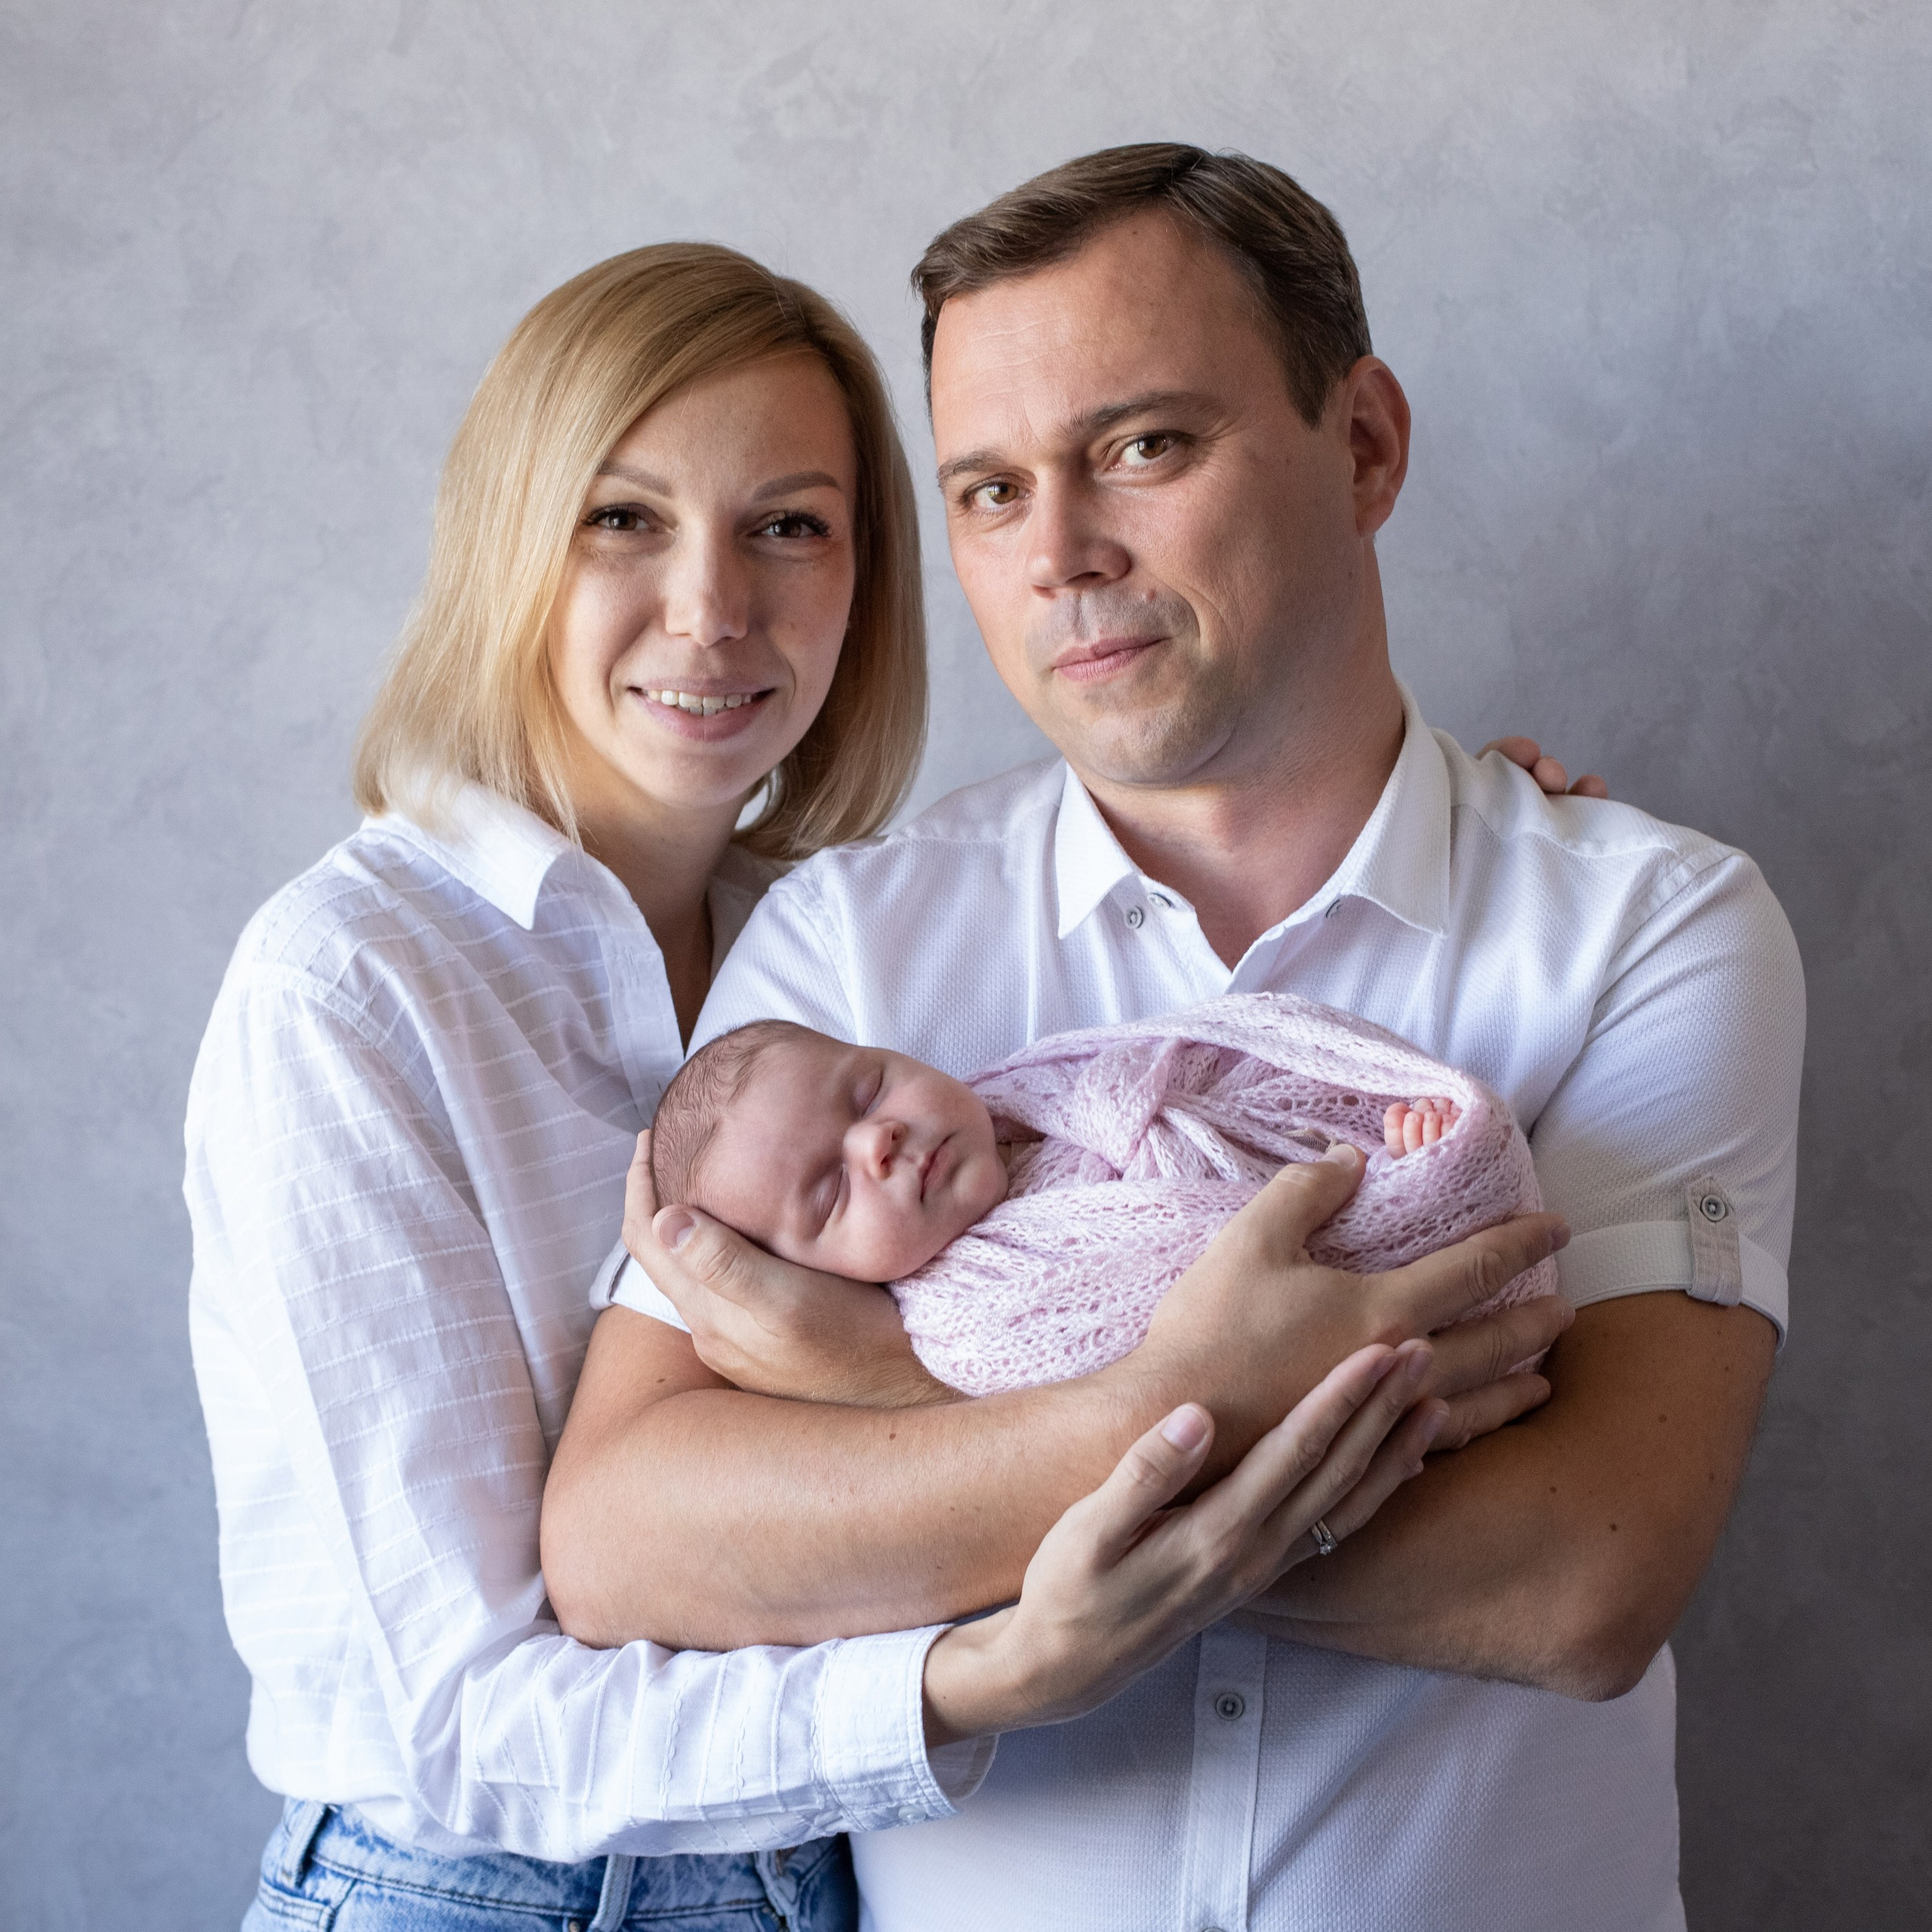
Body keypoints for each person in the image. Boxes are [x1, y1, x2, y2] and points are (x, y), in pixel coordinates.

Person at [185, 238, 1574, 1930]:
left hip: (822, 1884)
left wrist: (1484, 840)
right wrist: (982, 1673)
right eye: (622, 518)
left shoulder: (834, 941)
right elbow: (452, 1716)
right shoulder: (353, 984)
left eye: (789, 526)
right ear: (507, 540)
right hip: (489, 1893)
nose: (713, 608)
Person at [547, 144, 1802, 1932]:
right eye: (990, 489)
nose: (1058, 554)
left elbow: (1574, 1578)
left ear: (1361, 445)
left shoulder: (1646, 926)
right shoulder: (846, 949)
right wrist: (1149, 1415)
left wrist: (897, 1397)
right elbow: (626, 1537)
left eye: (1140, 446)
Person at [632, 999, 1518, 1398]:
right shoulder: (965, 1320)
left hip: (1354, 1191)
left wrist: (1381, 1143)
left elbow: (1244, 1072)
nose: (878, 1141)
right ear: (814, 1280)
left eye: (868, 1090)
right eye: (830, 1191)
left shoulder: (1049, 1088)